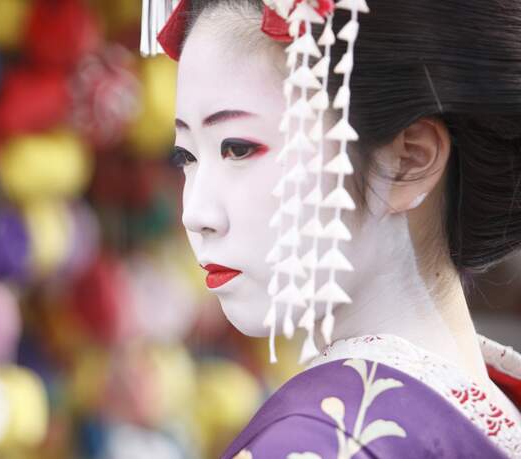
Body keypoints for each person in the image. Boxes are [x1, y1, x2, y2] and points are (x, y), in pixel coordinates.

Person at [144, 0, 521, 457]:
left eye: (237, 148)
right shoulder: (496, 406)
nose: (195, 214)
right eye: (185, 155)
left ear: (407, 161)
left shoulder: (315, 443)